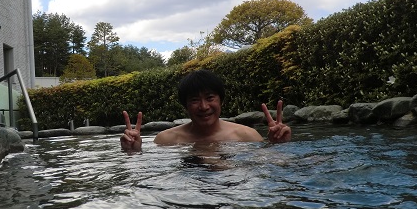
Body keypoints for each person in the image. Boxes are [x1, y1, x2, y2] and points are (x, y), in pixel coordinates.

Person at [121, 69, 291, 151]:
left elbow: (273, 169)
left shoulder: (247, 136)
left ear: (221, 100)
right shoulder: (166, 140)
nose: (203, 107)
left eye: (210, 98)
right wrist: (133, 152)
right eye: (195, 100)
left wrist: (278, 147)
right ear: (185, 105)